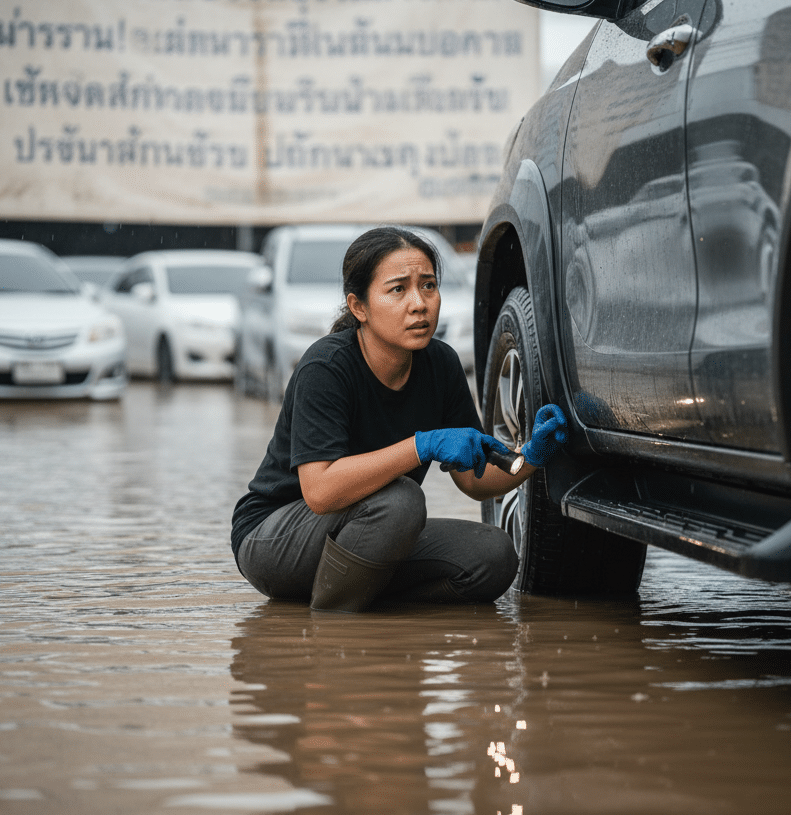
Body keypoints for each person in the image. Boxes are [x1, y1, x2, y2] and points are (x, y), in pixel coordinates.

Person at [229, 226, 568, 613]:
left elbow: (475, 480)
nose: (419, 304)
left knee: (492, 555)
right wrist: (423, 445)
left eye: (428, 286)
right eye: (398, 290)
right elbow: (320, 492)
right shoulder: (325, 368)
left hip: (372, 528)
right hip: (273, 539)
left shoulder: (441, 364)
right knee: (402, 499)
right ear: (359, 307)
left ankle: (362, 591)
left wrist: (533, 455)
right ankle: (329, 631)